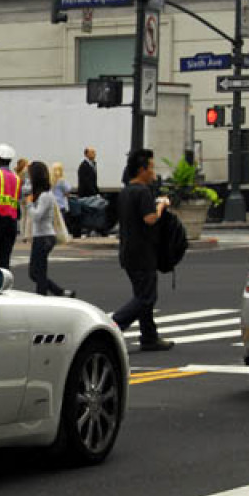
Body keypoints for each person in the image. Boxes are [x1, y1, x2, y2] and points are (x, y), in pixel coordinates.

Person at [112, 149, 172, 351]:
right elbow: (150, 219)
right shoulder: (142, 191)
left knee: (143, 293)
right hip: (142, 252)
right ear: (141, 170)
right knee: (146, 297)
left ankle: (149, 336)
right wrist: (161, 206)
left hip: (128, 251)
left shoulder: (126, 192)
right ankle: (113, 325)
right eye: (151, 167)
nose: (153, 172)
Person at [26, 161, 74, 298]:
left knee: (37, 272)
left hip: (44, 237)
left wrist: (29, 204)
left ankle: (44, 296)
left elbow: (37, 216)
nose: (28, 179)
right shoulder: (42, 195)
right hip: (42, 236)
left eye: (30, 176)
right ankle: (60, 292)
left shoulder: (45, 196)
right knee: (36, 272)